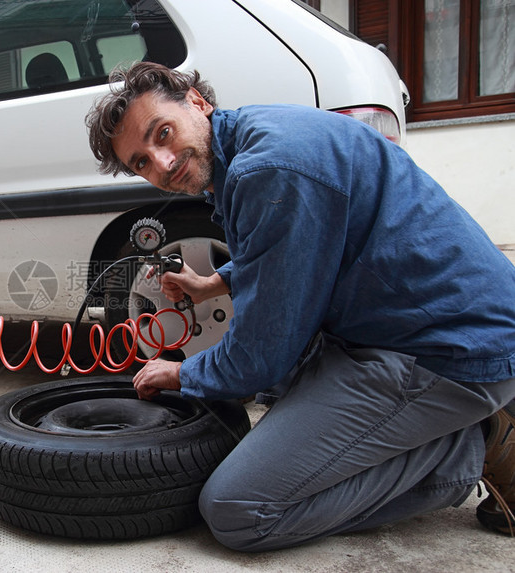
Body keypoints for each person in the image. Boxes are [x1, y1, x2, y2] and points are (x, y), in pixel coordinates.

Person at [85, 61, 515, 552]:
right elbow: (296, 247)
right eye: (141, 161)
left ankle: (474, 444)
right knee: (280, 384)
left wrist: (183, 373)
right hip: (415, 320)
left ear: (197, 102)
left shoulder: (266, 170)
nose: (161, 163)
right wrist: (215, 283)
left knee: (239, 511)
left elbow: (258, 356)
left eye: (162, 133)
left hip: (449, 351)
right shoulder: (254, 138)